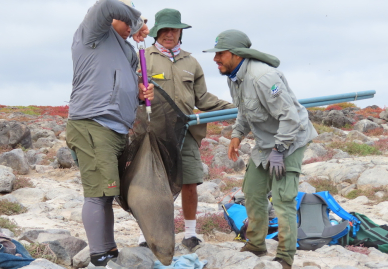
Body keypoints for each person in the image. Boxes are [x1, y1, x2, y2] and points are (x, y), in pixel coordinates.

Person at [203, 29, 318, 269]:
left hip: (291, 140)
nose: (215, 59)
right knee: (253, 193)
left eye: (220, 54)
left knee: (283, 199)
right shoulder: (234, 76)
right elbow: (244, 110)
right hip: (266, 143)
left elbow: (290, 118)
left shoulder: (264, 78)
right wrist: (237, 134)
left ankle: (285, 257)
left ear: (236, 54)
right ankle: (256, 244)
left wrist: (279, 150)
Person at [137, 8, 235, 252]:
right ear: (157, 31)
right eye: (165, 30)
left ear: (181, 32)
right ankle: (145, 234)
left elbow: (202, 98)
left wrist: (235, 108)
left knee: (190, 182)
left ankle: (191, 234)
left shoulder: (191, 61)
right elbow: (132, 94)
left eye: (175, 29)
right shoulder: (142, 57)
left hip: (187, 132)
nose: (170, 34)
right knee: (151, 185)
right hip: (154, 133)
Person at [66, 0, 154, 267]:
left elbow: (121, 86)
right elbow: (106, 5)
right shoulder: (92, 32)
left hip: (116, 129)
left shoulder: (126, 51)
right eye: (127, 21)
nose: (130, 27)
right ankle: (99, 256)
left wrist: (139, 95)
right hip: (92, 124)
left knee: (108, 192)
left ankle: (108, 250)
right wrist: (138, 22)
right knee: (97, 193)